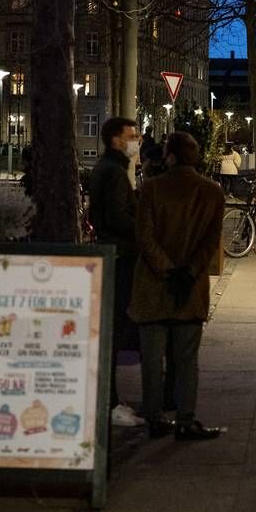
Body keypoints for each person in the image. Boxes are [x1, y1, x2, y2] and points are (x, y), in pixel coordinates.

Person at [133, 131, 226, 441]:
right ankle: (186, 418)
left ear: (169, 156)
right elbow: (212, 238)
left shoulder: (152, 189)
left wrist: (166, 270)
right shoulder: (212, 191)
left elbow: (144, 236)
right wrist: (189, 271)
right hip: (190, 287)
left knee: (152, 359)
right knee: (187, 360)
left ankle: (155, 417)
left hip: (154, 285)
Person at [87, 116, 147, 428]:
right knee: (112, 330)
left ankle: (110, 399)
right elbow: (115, 217)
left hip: (116, 253)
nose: (136, 140)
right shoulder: (113, 173)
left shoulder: (107, 169)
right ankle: (108, 402)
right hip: (120, 257)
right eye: (131, 135)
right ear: (115, 140)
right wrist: (144, 231)